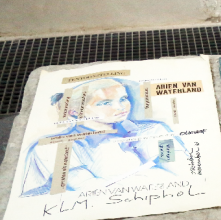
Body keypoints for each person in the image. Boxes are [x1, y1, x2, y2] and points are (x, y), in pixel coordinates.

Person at [21, 78, 185, 196]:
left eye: (123, 99)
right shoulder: (52, 148)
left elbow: (180, 172)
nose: (120, 107)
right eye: (105, 103)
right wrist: (154, 175)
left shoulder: (155, 131)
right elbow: (92, 191)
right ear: (75, 111)